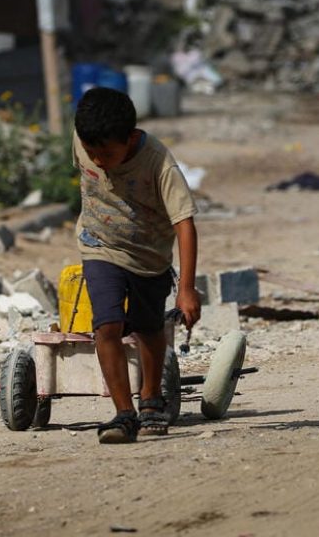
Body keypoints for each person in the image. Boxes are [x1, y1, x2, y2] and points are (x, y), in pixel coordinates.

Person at [72, 86, 201, 444]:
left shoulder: (159, 163)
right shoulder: (84, 141)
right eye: (92, 152)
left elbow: (185, 223)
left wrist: (187, 289)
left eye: (107, 153)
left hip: (149, 258)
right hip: (99, 246)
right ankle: (123, 413)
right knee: (107, 324)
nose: (98, 160)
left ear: (130, 139)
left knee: (148, 328)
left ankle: (150, 398)